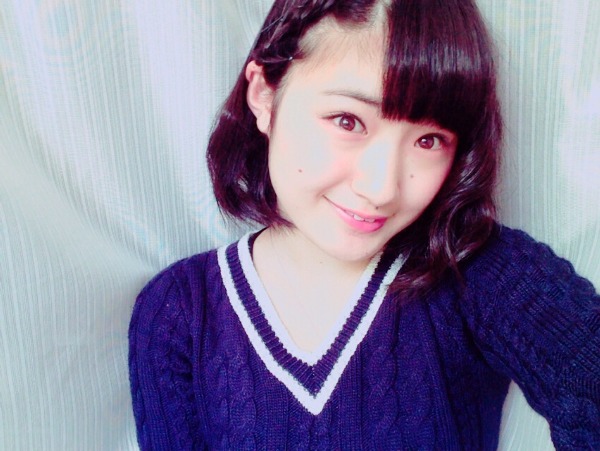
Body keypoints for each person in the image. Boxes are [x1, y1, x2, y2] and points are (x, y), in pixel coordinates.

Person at [128, 0, 600, 449]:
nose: (382, 189)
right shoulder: (179, 311)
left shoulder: (475, 269)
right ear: (264, 95)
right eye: (348, 121)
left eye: (429, 140)